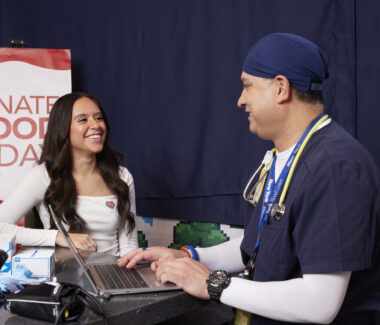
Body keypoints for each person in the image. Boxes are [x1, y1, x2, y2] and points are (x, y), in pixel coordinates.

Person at [118, 33, 380, 324]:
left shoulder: (335, 167)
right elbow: (256, 248)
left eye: (247, 86)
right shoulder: (283, 157)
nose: (240, 100)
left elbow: (320, 302)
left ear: (281, 88)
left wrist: (213, 284)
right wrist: (190, 257)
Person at [0, 92, 138, 256]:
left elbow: (129, 243)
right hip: (67, 277)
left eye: (99, 118)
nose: (96, 125)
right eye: (83, 119)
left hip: (113, 273)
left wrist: (129, 278)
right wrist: (58, 237)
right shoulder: (44, 175)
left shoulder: (122, 176)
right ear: (63, 128)